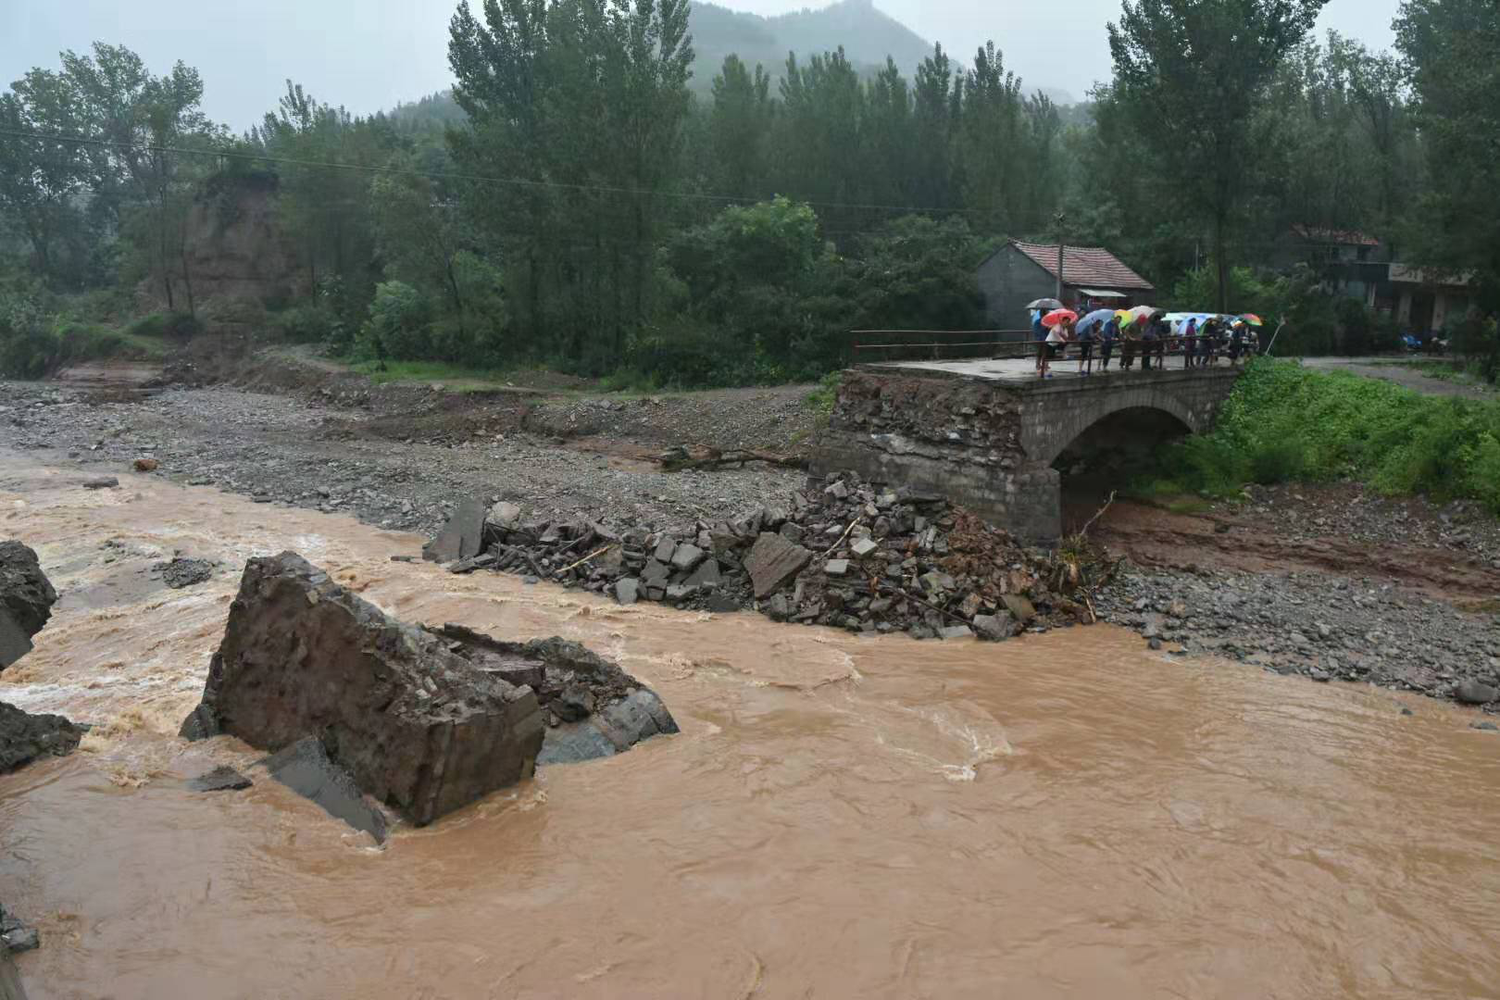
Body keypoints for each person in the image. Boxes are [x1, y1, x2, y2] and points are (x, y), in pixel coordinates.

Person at [1032, 309, 1048, 374]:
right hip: (1039, 339)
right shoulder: (1037, 322)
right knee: (1039, 353)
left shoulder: (1047, 322)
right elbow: (1037, 331)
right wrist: (1044, 327)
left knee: (1045, 353)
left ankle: (1044, 365)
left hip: (1046, 339)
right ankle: (1038, 365)